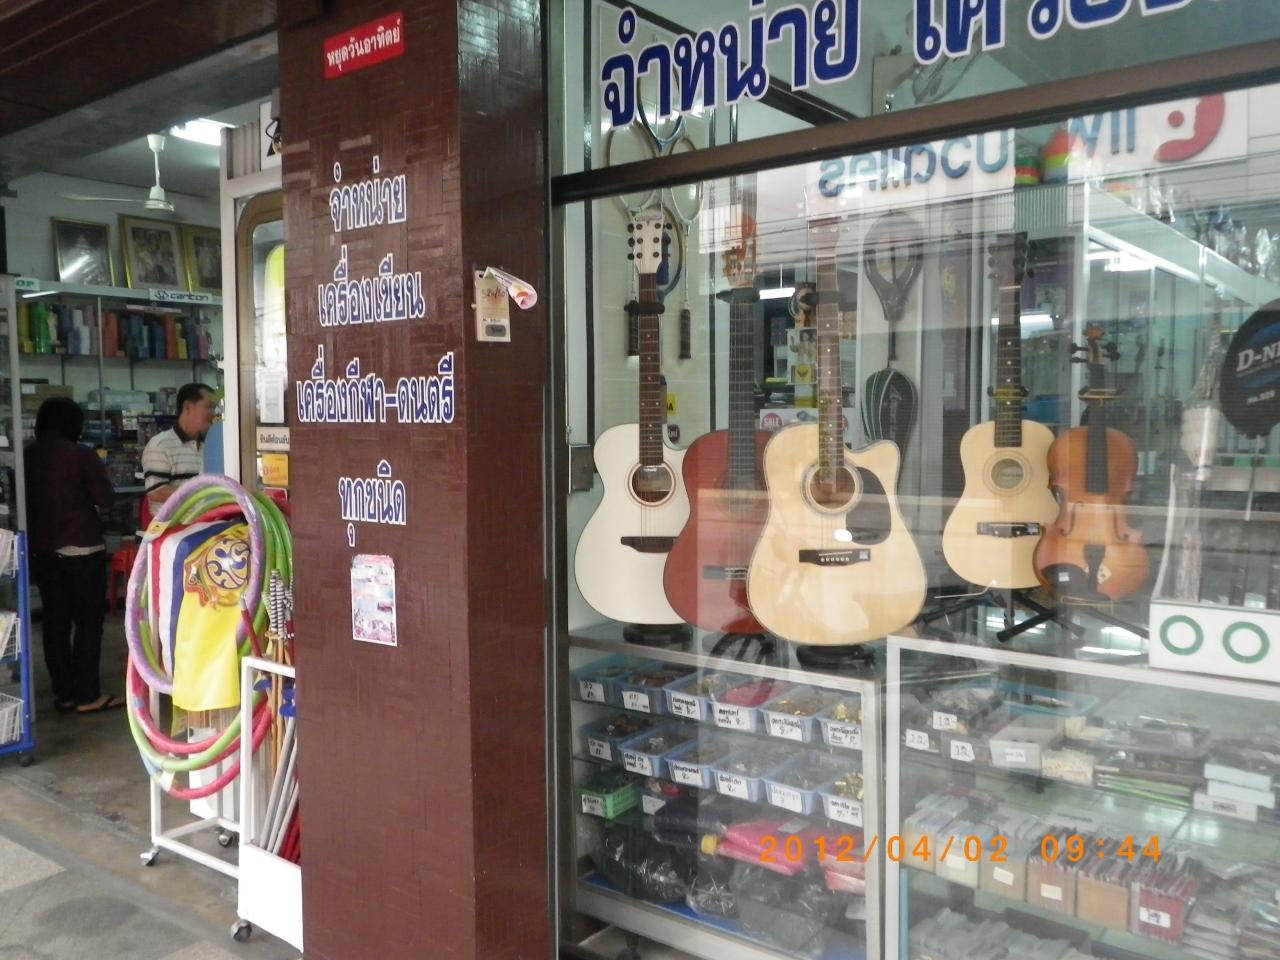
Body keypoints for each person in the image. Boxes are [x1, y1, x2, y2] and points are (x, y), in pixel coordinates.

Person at [25, 396, 119, 713]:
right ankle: (88, 695)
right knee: (88, 623)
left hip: (43, 551)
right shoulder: (81, 455)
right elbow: (105, 499)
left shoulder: (28, 455)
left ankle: (64, 693)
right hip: (82, 549)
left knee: (55, 624)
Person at [142, 383, 216, 513]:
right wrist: (202, 493)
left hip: (209, 522)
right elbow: (156, 492)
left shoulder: (211, 446)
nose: (213, 413)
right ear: (188, 407)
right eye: (209, 407)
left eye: (214, 408)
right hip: (175, 524)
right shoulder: (161, 444)